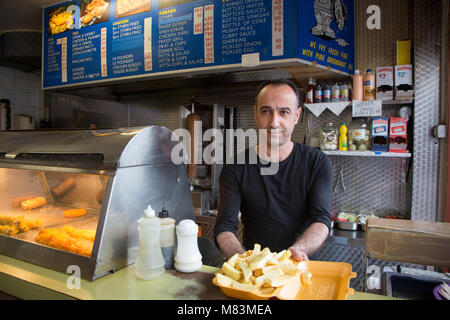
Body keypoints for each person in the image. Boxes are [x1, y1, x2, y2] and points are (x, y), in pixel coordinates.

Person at [213, 79, 333, 261]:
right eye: (266, 111)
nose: (274, 122)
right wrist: (244, 261)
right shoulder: (235, 167)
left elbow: (322, 219)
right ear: (255, 114)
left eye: (284, 112)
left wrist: (299, 250)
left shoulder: (316, 162)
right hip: (255, 274)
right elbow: (224, 226)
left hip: (301, 269)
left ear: (296, 116)